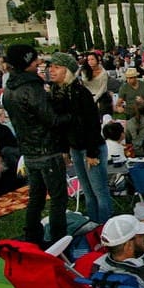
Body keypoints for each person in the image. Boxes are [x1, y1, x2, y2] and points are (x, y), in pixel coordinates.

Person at [2, 43, 71, 246]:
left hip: (28, 152)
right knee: (58, 199)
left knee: (36, 199)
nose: (39, 63)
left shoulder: (9, 89)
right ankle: (60, 241)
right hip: (46, 150)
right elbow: (52, 120)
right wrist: (70, 114)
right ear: (26, 63)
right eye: (34, 61)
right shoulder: (31, 88)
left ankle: (32, 237)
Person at [48, 52, 110, 224]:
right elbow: (60, 125)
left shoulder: (79, 93)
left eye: (56, 67)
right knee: (88, 193)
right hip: (75, 148)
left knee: (100, 193)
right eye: (50, 67)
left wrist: (92, 152)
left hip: (91, 147)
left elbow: (92, 124)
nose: (51, 70)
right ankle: (93, 227)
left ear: (67, 71)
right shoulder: (57, 93)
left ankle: (104, 227)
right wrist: (63, 148)